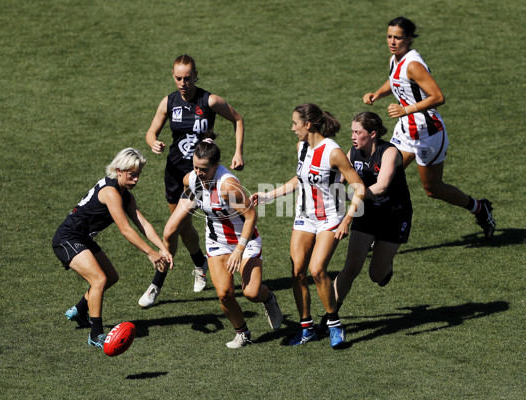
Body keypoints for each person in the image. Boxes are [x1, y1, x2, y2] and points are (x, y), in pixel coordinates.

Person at [362, 16, 495, 240]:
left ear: (409, 38)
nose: (392, 41)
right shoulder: (395, 59)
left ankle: (480, 208)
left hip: (427, 134)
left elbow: (438, 97)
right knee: (382, 178)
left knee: (433, 189)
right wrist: (377, 93)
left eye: (398, 37)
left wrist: (406, 110)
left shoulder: (413, 65)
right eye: (389, 36)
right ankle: (379, 231)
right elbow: (395, 80)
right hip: (404, 133)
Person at [252, 103, 365, 349]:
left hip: (330, 218)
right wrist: (268, 196)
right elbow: (299, 177)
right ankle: (307, 328)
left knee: (317, 270)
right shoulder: (302, 147)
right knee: (298, 272)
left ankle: (334, 324)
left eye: (295, 123)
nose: (293, 128)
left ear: (308, 124)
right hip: (305, 216)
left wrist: (348, 219)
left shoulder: (332, 152)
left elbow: (359, 187)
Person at [139, 54, 245, 307]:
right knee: (184, 228)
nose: (183, 83)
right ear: (172, 76)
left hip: (201, 178)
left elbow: (238, 119)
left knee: (171, 231)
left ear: (196, 76)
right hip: (175, 175)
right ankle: (200, 264)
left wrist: (238, 151)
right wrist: (153, 142)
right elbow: (151, 131)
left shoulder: (210, 101)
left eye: (187, 78)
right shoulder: (169, 102)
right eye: (178, 78)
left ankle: (156, 285)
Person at [162, 132, 283, 348]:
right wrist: (169, 234)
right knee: (224, 295)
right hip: (217, 242)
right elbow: (189, 196)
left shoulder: (227, 186)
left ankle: (268, 299)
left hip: (244, 240)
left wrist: (238, 250)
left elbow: (251, 216)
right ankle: (243, 333)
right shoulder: (191, 179)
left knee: (251, 292)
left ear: (216, 165)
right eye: (195, 167)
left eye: (203, 169)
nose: (198, 173)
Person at [52, 148, 173, 349]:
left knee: (111, 277)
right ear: (118, 170)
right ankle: (96, 334)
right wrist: (149, 252)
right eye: (131, 174)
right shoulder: (110, 192)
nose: (135, 179)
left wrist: (162, 248)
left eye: (138, 175)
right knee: (99, 280)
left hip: (82, 238)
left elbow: (142, 223)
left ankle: (81, 310)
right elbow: (125, 229)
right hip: (67, 238)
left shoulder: (125, 195)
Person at [318, 112, 412, 332]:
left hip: (394, 215)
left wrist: (355, 195)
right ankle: (330, 315)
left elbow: (382, 186)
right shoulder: (353, 153)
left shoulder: (389, 152)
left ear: (373, 133)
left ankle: (386, 270)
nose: (353, 136)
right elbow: (340, 181)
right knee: (351, 267)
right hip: (367, 213)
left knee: (376, 275)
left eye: (358, 132)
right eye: (352, 131)